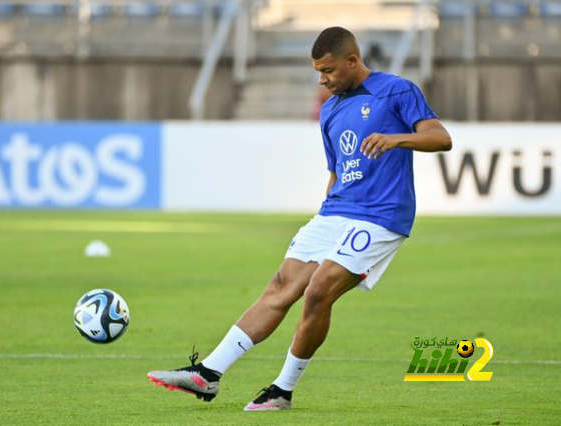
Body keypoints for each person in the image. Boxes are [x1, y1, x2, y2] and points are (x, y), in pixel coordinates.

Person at [148, 26, 452, 411]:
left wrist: (396, 138)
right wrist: (327, 208)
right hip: (336, 211)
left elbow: (441, 137)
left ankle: (282, 390)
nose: (322, 79)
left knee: (318, 290)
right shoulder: (330, 110)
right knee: (281, 285)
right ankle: (208, 373)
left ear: (352, 61)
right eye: (317, 72)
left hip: (381, 215)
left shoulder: (397, 90)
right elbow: (337, 171)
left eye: (327, 70)